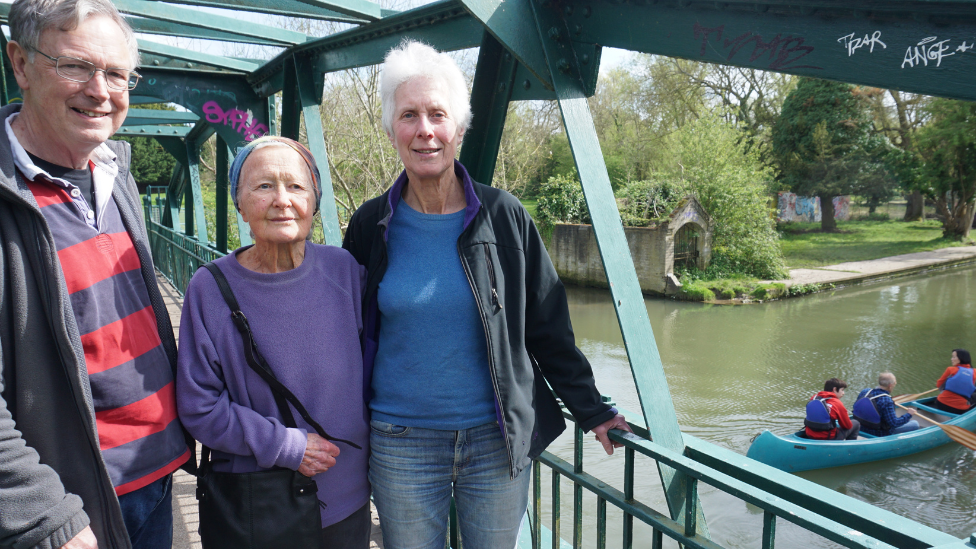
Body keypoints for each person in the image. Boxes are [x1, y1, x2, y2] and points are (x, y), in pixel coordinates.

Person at [341, 40, 632, 549]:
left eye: (438, 114)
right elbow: (345, 331)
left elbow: (546, 324)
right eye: (409, 115)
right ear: (391, 130)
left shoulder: (504, 216)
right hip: (400, 441)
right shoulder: (370, 224)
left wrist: (592, 409)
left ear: (459, 128)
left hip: (495, 439)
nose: (425, 130)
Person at [0, 0, 193, 547]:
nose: (101, 90)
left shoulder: (113, 173)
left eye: (115, 73)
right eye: (76, 67)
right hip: (72, 499)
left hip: (156, 472)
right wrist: (47, 517)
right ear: (20, 63)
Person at [176, 136, 370, 547]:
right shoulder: (210, 288)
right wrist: (285, 445)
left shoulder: (345, 272)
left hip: (348, 501)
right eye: (263, 186)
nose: (282, 200)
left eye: (297, 186)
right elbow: (199, 406)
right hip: (258, 508)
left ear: (315, 201)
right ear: (240, 204)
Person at [854, 373, 919, 437]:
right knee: (915, 424)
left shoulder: (865, 391)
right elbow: (894, 423)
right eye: (894, 384)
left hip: (861, 427)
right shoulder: (886, 400)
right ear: (890, 385)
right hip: (878, 433)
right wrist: (909, 414)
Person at [931, 349, 974, 415]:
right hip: (960, 409)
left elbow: (939, 385)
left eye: (954, 357)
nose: (951, 359)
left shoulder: (950, 369)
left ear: (960, 358)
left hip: (941, 404)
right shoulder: (975, 372)